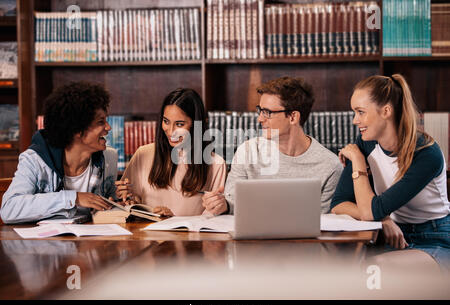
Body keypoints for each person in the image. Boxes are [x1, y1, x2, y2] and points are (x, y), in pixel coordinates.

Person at [331, 74, 450, 274]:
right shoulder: (366, 143)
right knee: (344, 266)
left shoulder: (426, 154)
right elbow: (339, 204)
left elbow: (369, 211)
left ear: (386, 111)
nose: (354, 120)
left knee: (373, 270)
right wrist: (384, 219)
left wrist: (358, 161)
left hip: (435, 239)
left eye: (360, 112)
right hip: (393, 234)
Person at [202, 76, 343, 215]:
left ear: (293, 117)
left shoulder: (330, 165)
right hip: (251, 236)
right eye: (260, 110)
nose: (260, 119)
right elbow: (232, 204)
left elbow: (324, 223)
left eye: (267, 112)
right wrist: (222, 205)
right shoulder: (247, 152)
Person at [0, 82, 117, 224]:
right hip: (42, 244)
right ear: (76, 130)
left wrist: (119, 203)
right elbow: (9, 209)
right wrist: (73, 198)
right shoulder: (34, 160)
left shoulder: (109, 158)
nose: (108, 127)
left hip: (91, 242)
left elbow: (107, 205)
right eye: (101, 122)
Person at [116, 88, 227, 216]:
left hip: (192, 235)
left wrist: (172, 219)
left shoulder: (216, 164)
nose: (171, 131)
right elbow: (130, 205)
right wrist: (126, 199)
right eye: (166, 121)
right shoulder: (143, 154)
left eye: (179, 124)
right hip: (147, 234)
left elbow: (212, 219)